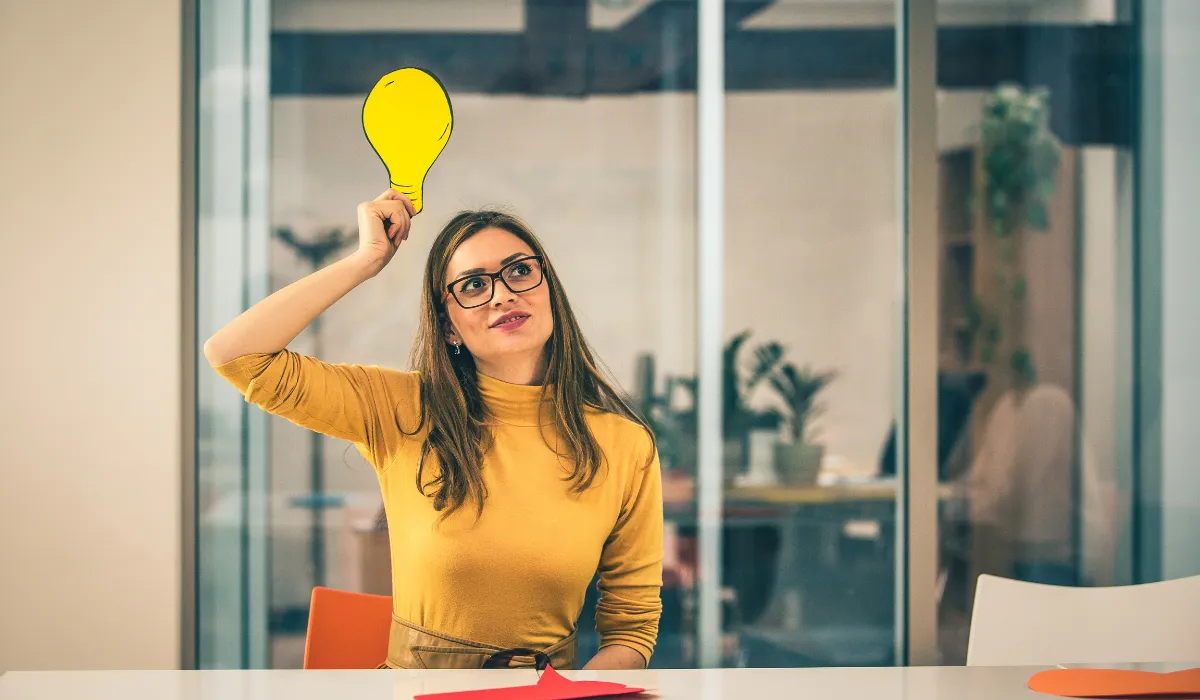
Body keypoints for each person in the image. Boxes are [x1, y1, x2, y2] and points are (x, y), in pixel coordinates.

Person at [204, 190, 663, 670]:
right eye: (473, 285)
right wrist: (365, 261)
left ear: (549, 288)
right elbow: (234, 356)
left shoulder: (625, 445)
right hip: (416, 692)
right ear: (448, 328)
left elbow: (630, 630)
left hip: (549, 695)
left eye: (519, 271)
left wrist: (566, 698)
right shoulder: (399, 409)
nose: (503, 294)